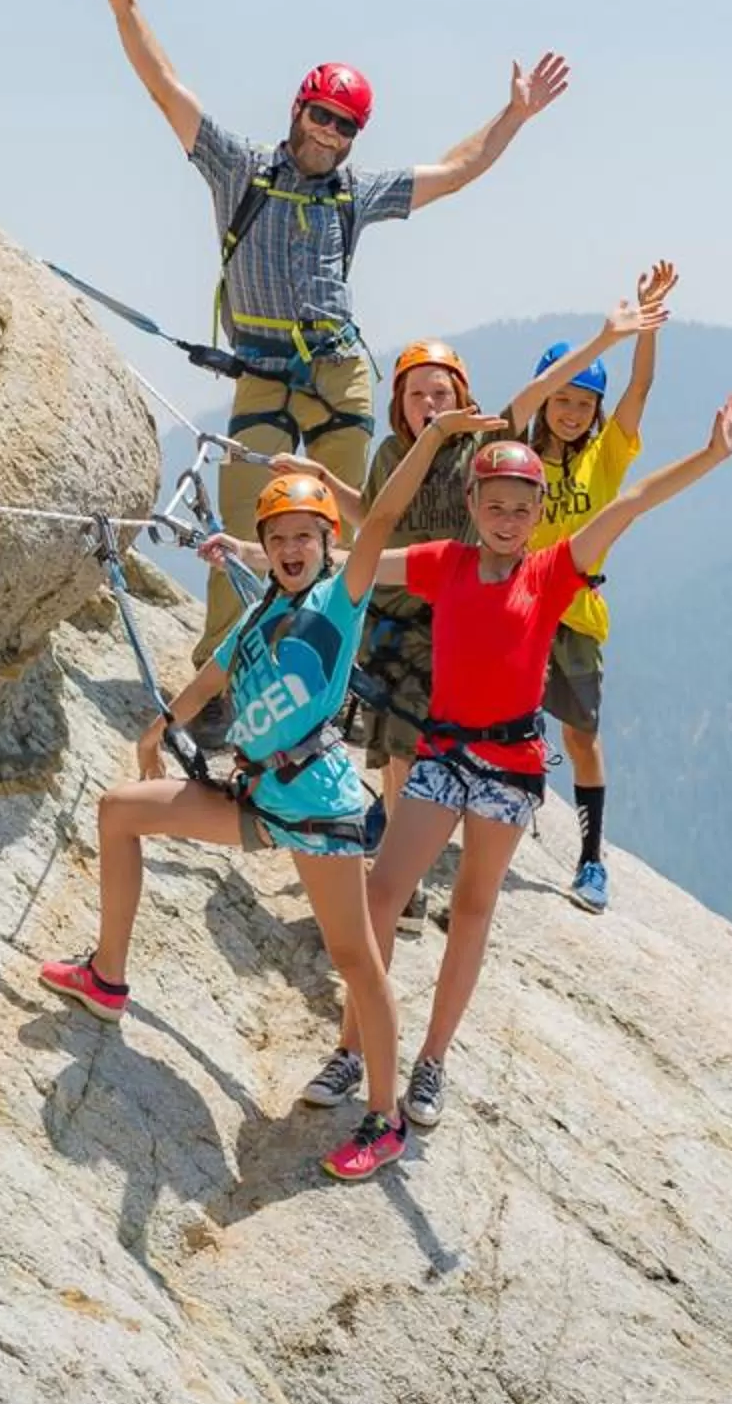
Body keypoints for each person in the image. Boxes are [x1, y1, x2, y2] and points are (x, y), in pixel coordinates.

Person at [83, 0, 572, 729]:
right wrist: (123, 8)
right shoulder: (240, 167)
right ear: (296, 110)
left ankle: (332, 675)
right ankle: (219, 673)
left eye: (346, 125)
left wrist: (513, 114)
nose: (330, 133)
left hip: (340, 373)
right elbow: (165, 88)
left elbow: (454, 171)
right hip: (265, 372)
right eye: (321, 115)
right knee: (246, 524)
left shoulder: (355, 191)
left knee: (357, 533)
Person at [39, 404, 507, 1182]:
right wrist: (161, 726)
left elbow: (386, 511)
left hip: (318, 807)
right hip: (255, 796)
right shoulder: (263, 609)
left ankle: (384, 1119)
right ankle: (107, 977)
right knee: (120, 811)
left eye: (305, 538)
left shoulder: (338, 598)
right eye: (280, 538)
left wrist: (431, 437)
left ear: (327, 546)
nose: (292, 551)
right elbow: (217, 672)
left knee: (357, 959)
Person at [310, 389, 732, 1132]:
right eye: (496, 506)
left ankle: (432, 1060)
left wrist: (710, 456)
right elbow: (359, 563)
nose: (507, 521)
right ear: (474, 502)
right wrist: (256, 551)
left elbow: (632, 501)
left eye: (520, 509)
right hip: (445, 751)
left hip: (508, 762)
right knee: (382, 894)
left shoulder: (552, 572)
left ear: (538, 513)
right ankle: (355, 1046)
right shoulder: (444, 563)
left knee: (472, 911)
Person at [332, 280, 675, 935]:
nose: (430, 403)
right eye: (417, 393)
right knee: (419, 733)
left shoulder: (538, 450)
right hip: (447, 610)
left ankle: (577, 854)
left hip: (514, 613)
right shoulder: (445, 456)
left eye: (442, 392)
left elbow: (584, 396)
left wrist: (622, 336)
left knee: (548, 736)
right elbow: (381, 519)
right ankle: (407, 825)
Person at [526, 260, 678, 912]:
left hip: (579, 610)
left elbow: (641, 386)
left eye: (582, 403)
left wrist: (644, 322)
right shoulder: (517, 456)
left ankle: (591, 860)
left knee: (582, 739)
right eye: (561, 399)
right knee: (497, 720)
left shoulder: (606, 454)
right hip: (523, 605)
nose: (570, 411)